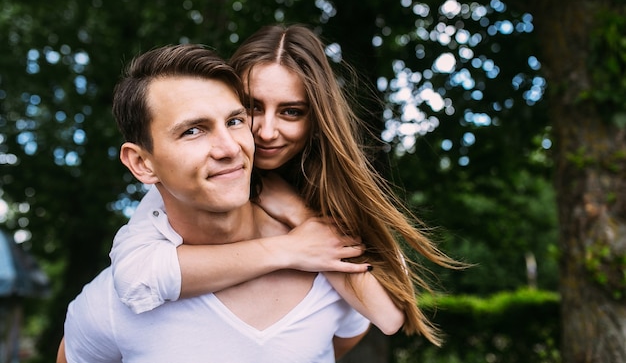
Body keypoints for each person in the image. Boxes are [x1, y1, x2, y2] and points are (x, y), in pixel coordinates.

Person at [108, 24, 464, 345]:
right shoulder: (181, 191)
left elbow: (387, 317)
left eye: (291, 111)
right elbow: (135, 278)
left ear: (316, 119)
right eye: (251, 108)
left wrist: (298, 212)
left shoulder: (328, 188)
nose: (265, 131)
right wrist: (290, 249)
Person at [58, 44, 372, 363]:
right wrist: (288, 248)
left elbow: (374, 324)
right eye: (193, 131)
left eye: (235, 121)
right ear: (141, 163)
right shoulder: (108, 304)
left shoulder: (329, 269)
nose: (229, 148)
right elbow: (137, 277)